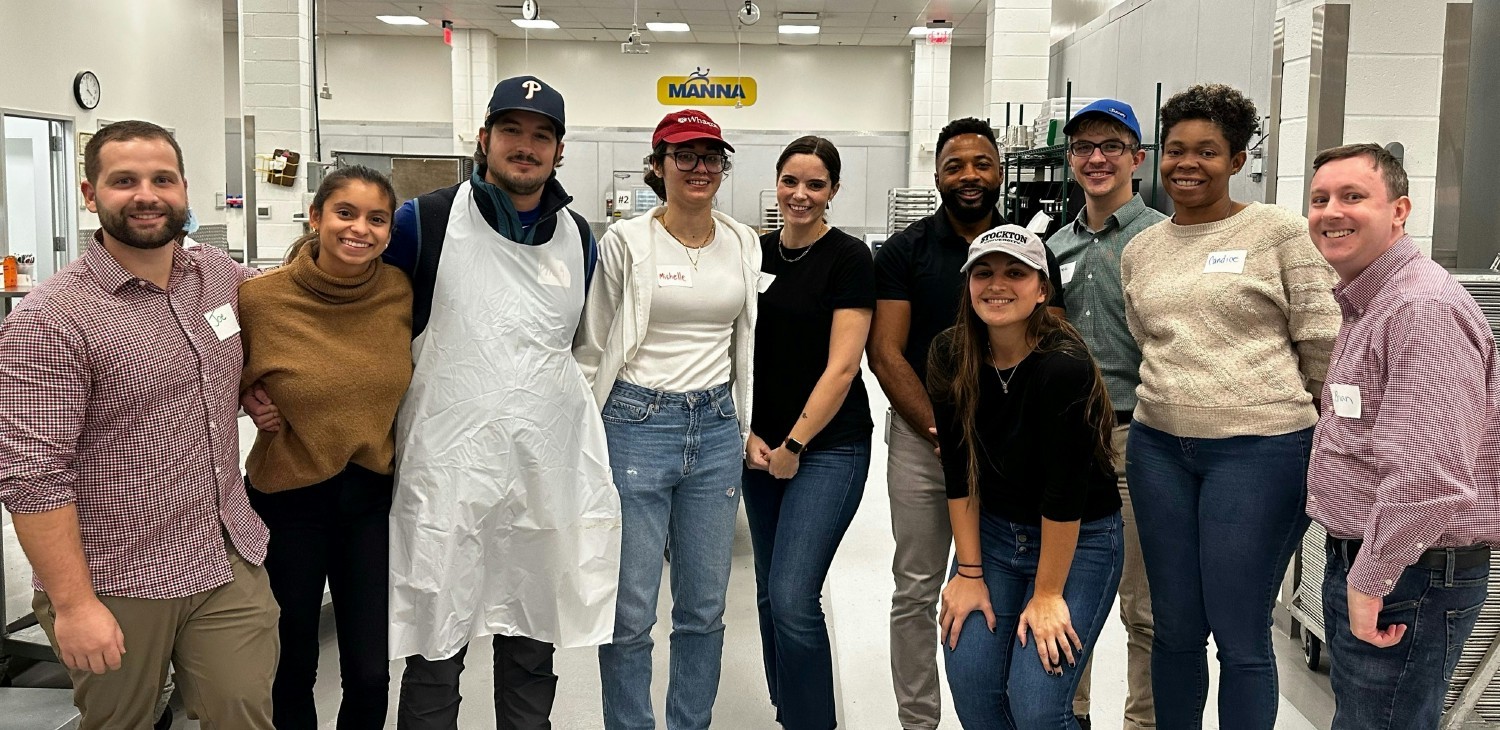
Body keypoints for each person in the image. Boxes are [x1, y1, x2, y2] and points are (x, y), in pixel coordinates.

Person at [249, 75, 619, 729]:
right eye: (511, 131)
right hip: (446, 474)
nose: (525, 147)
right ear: (484, 140)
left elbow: (577, 345)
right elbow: (340, 298)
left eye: (541, 136)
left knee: (533, 637)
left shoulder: (579, 238)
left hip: (540, 472)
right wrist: (260, 381)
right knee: (434, 644)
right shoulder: (428, 221)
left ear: (560, 151)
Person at [0, 120, 276, 728]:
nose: (146, 194)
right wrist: (73, 607)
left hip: (226, 553)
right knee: (121, 722)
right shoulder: (51, 318)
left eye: (162, 179)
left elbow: (261, 344)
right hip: (117, 572)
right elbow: (32, 477)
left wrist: (254, 388)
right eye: (124, 181)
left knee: (245, 713)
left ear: (184, 189)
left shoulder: (218, 277)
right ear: (89, 193)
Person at [1119, 83, 1340, 729]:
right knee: (1175, 629)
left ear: (1238, 160)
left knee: (1240, 634)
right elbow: (1148, 338)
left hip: (1260, 451)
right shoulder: (1142, 250)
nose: (1188, 163)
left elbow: (1323, 340)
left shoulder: (1279, 232)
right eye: (1178, 150)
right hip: (1158, 446)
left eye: (1208, 151)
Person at [869, 116, 1064, 729]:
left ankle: (1002, 713)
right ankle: (919, 720)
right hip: (923, 441)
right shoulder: (906, 252)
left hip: (1012, 447)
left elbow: (1048, 341)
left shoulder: (1033, 250)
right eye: (956, 165)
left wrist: (996, 431)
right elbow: (886, 353)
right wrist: (943, 430)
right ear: (937, 176)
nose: (970, 176)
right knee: (918, 585)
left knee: (1008, 585)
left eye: (982, 163)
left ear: (1000, 171)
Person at [575, 108, 760, 730]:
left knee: (704, 608)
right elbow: (594, 344)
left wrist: (740, 422)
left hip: (712, 428)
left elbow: (743, 342)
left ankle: (690, 723)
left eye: (711, 157)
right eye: (684, 156)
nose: (700, 168)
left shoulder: (741, 240)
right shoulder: (628, 242)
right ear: (658, 167)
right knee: (630, 611)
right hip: (636, 423)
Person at [1305, 143, 1500, 729]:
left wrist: (1371, 579)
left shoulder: (1420, 308)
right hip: (1384, 565)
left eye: (1353, 196)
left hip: (1408, 572)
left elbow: (1430, 472)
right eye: (1319, 199)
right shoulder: (1372, 300)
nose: (1331, 211)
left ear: (1400, 210)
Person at [238, 165, 412, 729]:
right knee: (292, 664)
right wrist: (248, 396)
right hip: (288, 498)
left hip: (369, 500)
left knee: (369, 671)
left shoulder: (398, 292)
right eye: (345, 213)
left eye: (376, 219)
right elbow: (213, 370)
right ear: (315, 217)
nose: (359, 229)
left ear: (389, 230)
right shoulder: (260, 299)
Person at [930, 223, 1123, 730]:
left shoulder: (1063, 367)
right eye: (984, 273)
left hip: (1078, 543)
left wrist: (1047, 595)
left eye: (1016, 272)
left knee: (1037, 706)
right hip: (993, 538)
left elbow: (1066, 493)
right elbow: (959, 470)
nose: (997, 284)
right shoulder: (950, 355)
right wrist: (969, 574)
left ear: (1043, 289)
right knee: (973, 685)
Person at [743, 136, 874, 730]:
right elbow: (734, 350)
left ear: (834, 191)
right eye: (791, 181)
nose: (801, 194)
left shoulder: (849, 258)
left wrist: (795, 444)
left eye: (815, 184)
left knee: (794, 597)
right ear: (775, 183)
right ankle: (788, 711)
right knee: (770, 595)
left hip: (828, 447)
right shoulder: (753, 251)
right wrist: (748, 432)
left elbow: (843, 366)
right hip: (759, 446)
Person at [1045, 99, 1166, 730]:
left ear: (1137, 159)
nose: (1096, 158)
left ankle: (1142, 721)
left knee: (1142, 604)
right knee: (1067, 596)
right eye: (1083, 147)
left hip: (1138, 433)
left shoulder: (1162, 239)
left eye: (1111, 146)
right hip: (1068, 439)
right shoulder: (1054, 246)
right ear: (1070, 160)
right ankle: (1074, 715)